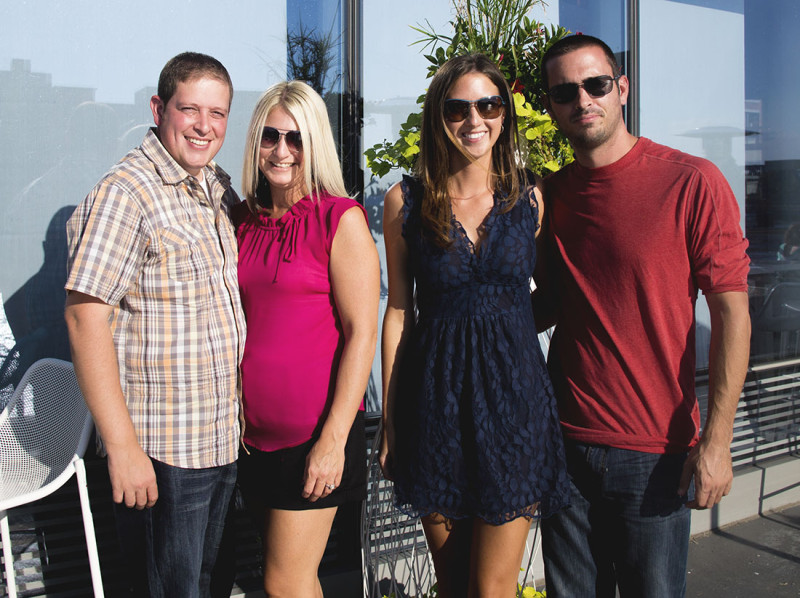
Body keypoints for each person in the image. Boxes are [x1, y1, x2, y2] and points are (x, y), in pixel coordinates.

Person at [535, 34, 751, 597]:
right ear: (551, 106)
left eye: (596, 84)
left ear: (622, 89)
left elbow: (732, 313)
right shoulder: (551, 196)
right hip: (563, 443)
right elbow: (546, 305)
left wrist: (718, 442)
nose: (582, 100)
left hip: (654, 454)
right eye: (564, 92)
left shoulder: (691, 181)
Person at [380, 53, 570, 597]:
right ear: (438, 116)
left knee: (491, 589)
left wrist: (503, 335)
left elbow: (555, 294)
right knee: (453, 586)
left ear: (504, 114)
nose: (474, 120)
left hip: (514, 408)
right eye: (458, 108)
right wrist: (392, 420)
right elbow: (399, 311)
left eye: (488, 105)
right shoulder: (406, 202)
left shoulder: (529, 198)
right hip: (435, 407)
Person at [64, 52, 245, 597]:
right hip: (161, 452)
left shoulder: (212, 187)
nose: (204, 125)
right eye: (189, 109)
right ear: (158, 108)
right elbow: (84, 316)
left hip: (221, 439)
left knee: (209, 585)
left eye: (217, 113)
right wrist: (121, 447)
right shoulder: (127, 193)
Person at [233, 80, 379, 597]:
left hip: (314, 440)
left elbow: (364, 332)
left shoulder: (340, 220)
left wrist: (335, 440)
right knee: (290, 583)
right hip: (250, 443)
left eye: (295, 138)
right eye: (270, 136)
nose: (281, 151)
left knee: (284, 583)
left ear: (314, 142)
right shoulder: (242, 220)